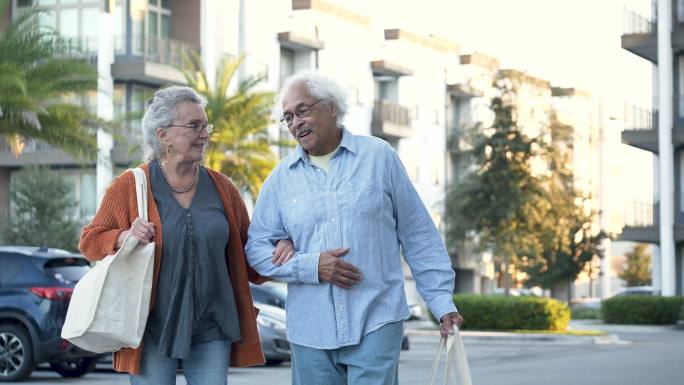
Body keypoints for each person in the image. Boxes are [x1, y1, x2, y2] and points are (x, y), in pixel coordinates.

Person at [245, 71, 464, 385]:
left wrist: (442, 302)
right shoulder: (280, 180)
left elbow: (418, 235)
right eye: (289, 117)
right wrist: (310, 265)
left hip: (376, 318)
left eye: (303, 110)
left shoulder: (379, 158)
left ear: (332, 107)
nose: (296, 123)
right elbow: (256, 251)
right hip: (310, 330)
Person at [78, 86, 293, 385]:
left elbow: (250, 252)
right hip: (150, 329)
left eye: (206, 125)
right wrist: (122, 236)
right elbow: (89, 241)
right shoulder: (130, 185)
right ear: (163, 134)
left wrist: (281, 244)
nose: (204, 133)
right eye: (194, 125)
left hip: (211, 327)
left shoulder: (223, 188)